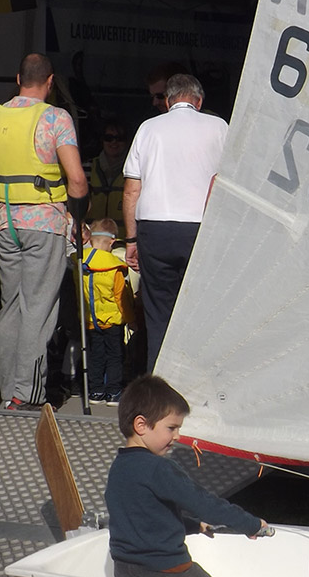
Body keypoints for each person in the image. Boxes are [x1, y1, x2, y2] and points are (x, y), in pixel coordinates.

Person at [105, 374, 269, 577]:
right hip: (168, 571)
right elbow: (205, 504)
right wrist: (249, 524)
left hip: (126, 573)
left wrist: (193, 526)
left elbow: (145, 517)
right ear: (141, 425)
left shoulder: (119, 468)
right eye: (171, 428)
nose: (177, 436)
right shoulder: (158, 469)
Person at [0, 53, 89, 411]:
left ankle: (8, 391)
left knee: (10, 308)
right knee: (38, 308)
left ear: (18, 77)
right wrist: (78, 214)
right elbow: (78, 180)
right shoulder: (55, 117)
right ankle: (28, 393)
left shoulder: (0, 115)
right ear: (50, 82)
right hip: (44, 224)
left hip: (5, 222)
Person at [123, 73, 227, 371]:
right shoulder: (219, 127)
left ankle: (161, 385)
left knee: (158, 314)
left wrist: (131, 240)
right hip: (201, 229)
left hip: (155, 229)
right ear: (199, 100)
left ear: (167, 101)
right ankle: (199, 386)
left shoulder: (148, 128)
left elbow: (132, 189)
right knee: (202, 313)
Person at [76, 217, 134, 405]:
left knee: (95, 355)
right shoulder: (113, 266)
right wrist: (130, 319)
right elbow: (121, 298)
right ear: (112, 242)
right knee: (115, 356)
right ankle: (113, 392)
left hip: (90, 320)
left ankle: (96, 391)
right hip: (113, 321)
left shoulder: (80, 263)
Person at [88, 120, 129, 238]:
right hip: (93, 239)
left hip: (123, 239)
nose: (114, 142)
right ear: (102, 140)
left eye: (120, 138)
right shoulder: (88, 167)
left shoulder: (134, 169)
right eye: (108, 138)